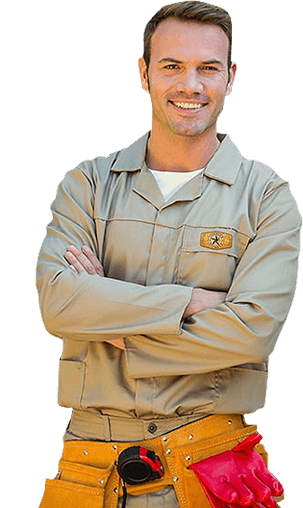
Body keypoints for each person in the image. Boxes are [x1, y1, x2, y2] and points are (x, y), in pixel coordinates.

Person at [36, 1, 301, 507]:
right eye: (172, 66)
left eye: (208, 68)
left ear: (231, 77)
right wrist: (191, 303)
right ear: (143, 74)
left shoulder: (266, 195)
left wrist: (113, 330)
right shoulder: (87, 185)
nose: (190, 85)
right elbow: (58, 303)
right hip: (88, 471)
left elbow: (253, 333)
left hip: (212, 467)